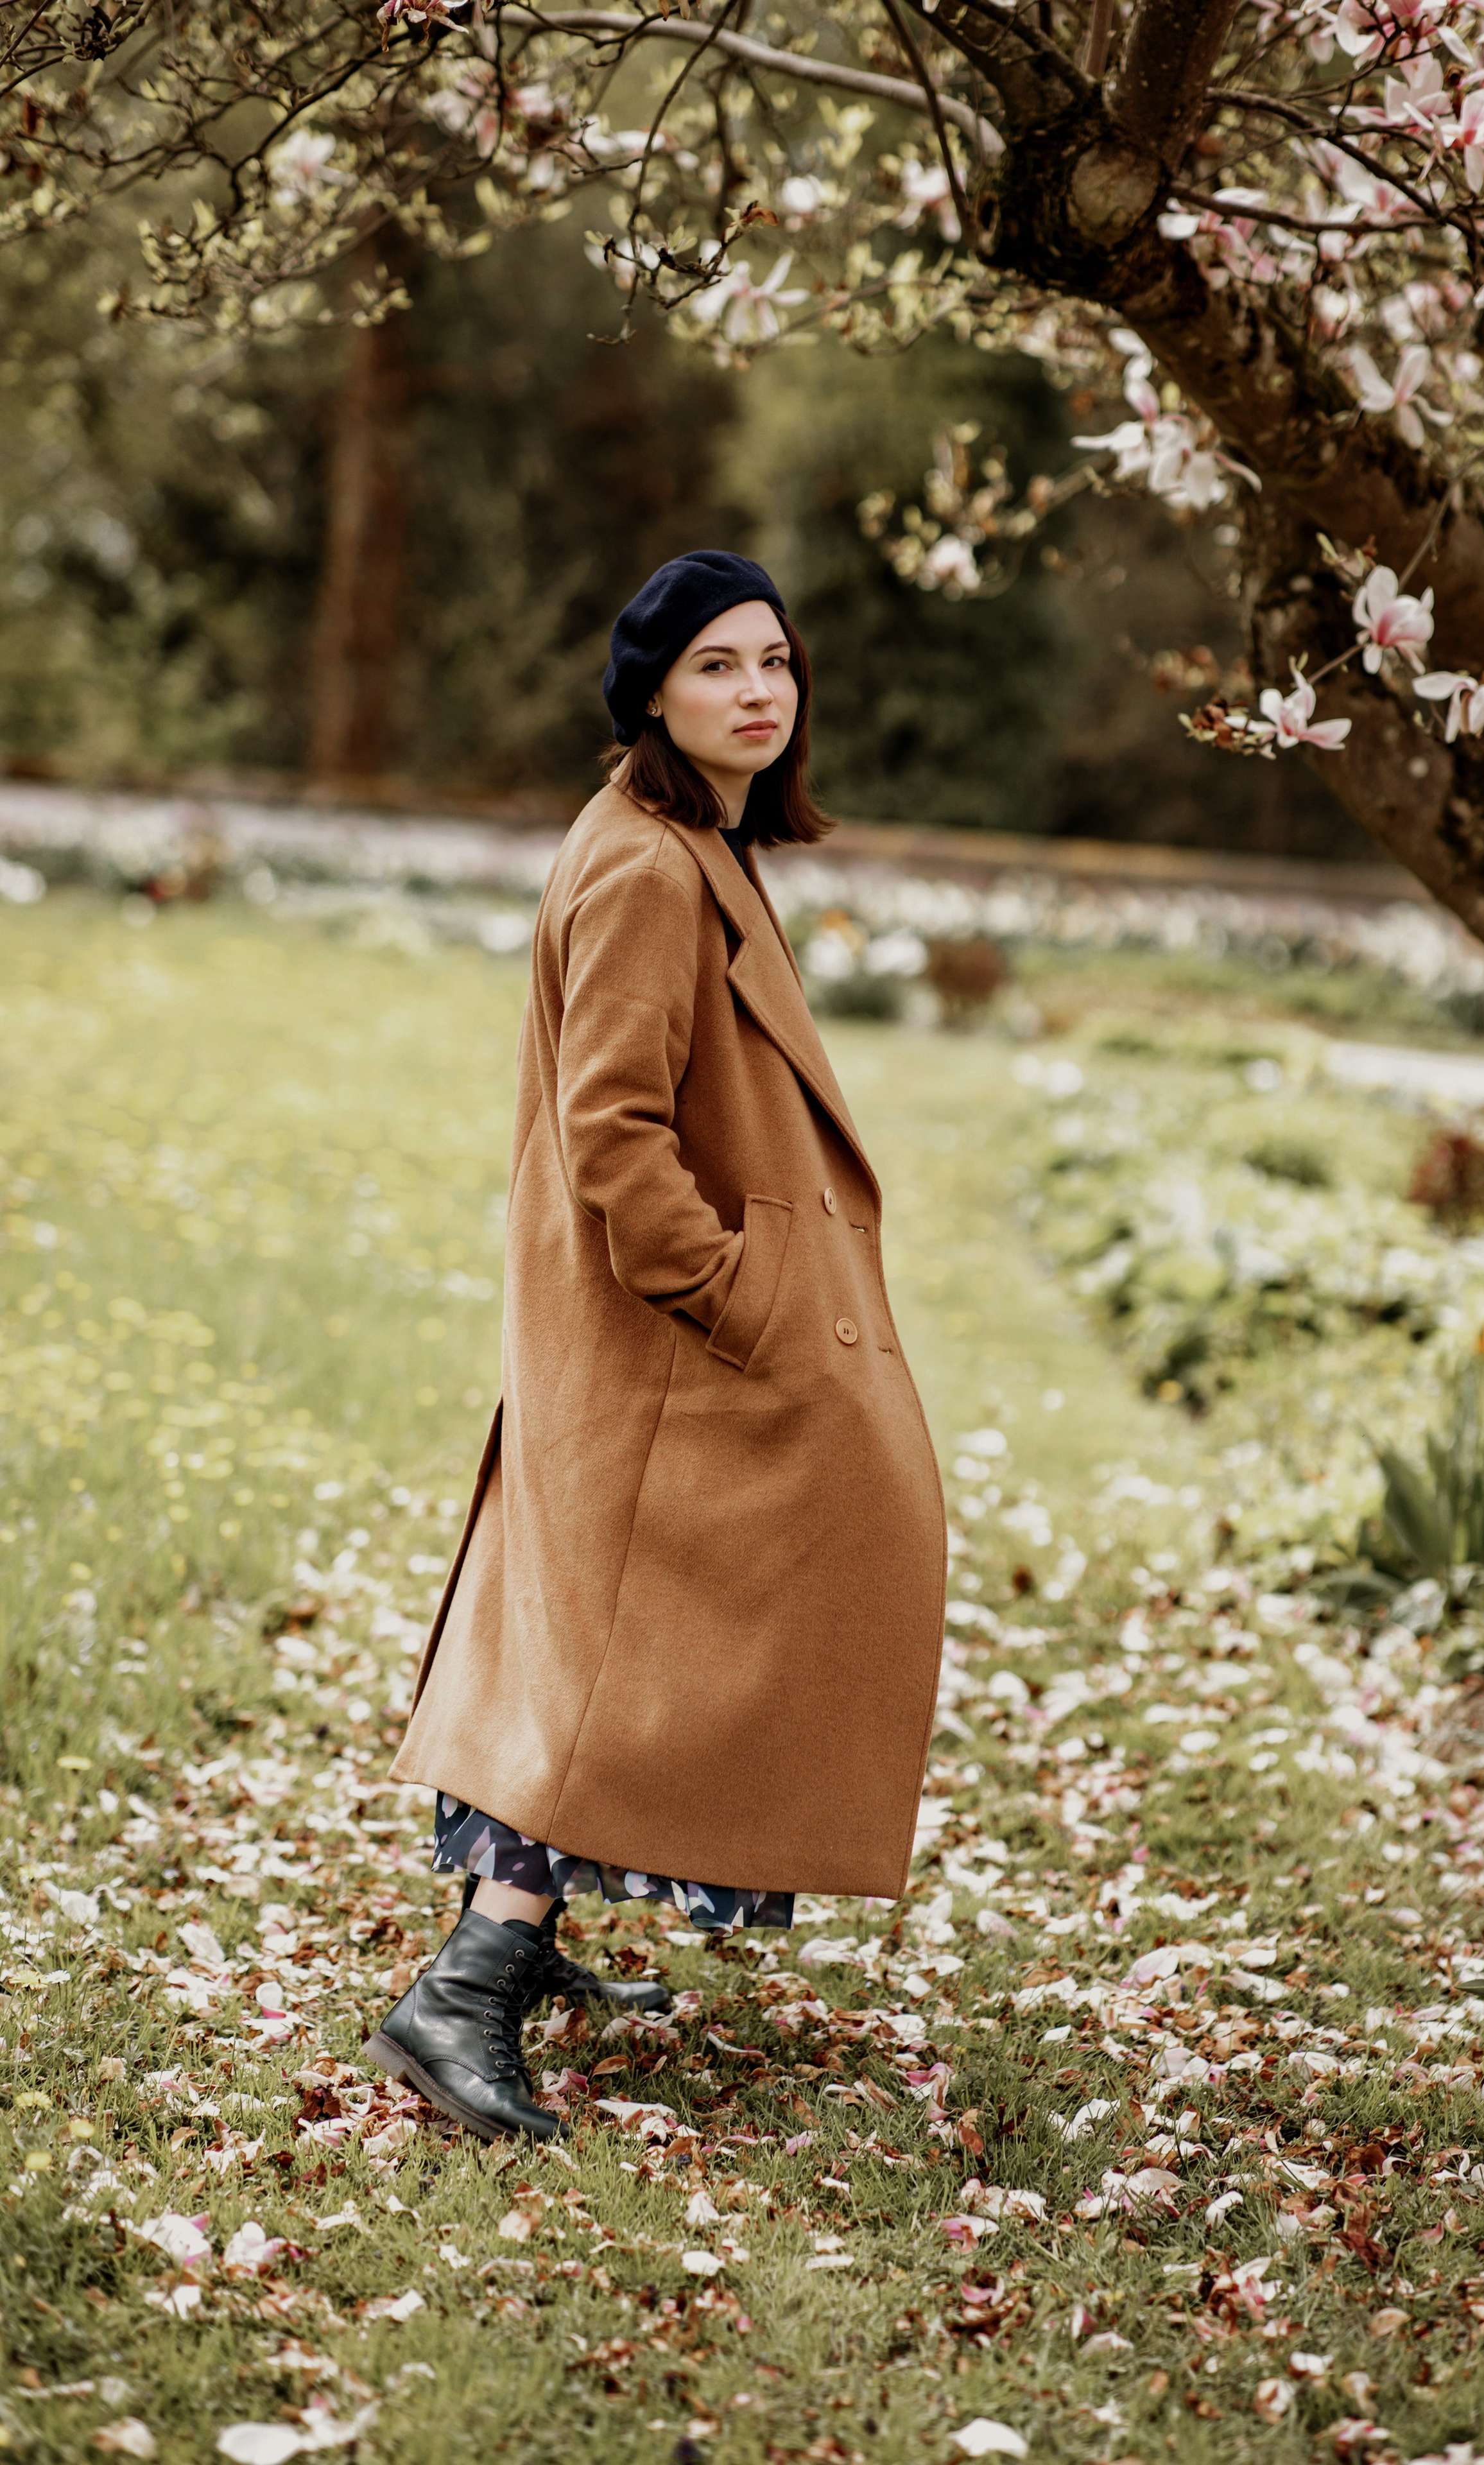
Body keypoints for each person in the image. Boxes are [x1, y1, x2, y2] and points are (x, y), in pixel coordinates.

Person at [365, 551, 947, 2141]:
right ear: (651, 696)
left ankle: (515, 1946)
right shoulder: (644, 865)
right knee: (637, 1657)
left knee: (590, 1641)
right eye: (715, 668)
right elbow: (613, 1132)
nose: (758, 690)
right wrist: (734, 1293)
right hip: (666, 1340)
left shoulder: (688, 840)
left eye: (774, 661)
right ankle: (468, 1987)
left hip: (646, 1341)